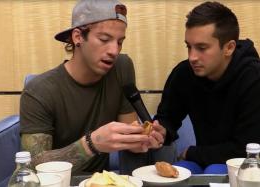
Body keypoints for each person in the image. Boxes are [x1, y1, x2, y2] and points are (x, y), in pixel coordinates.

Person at [20, 0, 166, 174]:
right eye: (104, 39)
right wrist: (91, 144)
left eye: (120, 42)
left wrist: (144, 139)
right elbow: (32, 168)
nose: (114, 50)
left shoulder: (121, 67)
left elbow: (129, 137)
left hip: (101, 182)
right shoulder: (39, 91)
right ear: (78, 37)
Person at [155, 1, 260, 174]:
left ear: (229, 48)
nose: (192, 57)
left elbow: (245, 149)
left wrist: (191, 152)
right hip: (205, 158)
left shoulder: (253, 78)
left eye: (202, 48)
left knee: (215, 170)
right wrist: (160, 133)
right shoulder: (184, 74)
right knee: (180, 173)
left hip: (246, 165)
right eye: (189, 47)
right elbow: (167, 120)